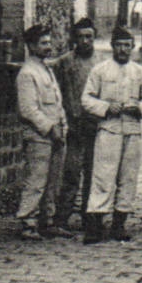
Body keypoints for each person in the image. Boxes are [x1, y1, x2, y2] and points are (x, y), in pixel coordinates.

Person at [81, 26, 142, 244]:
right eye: (119, 45)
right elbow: (87, 99)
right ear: (112, 46)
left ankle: (119, 224)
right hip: (109, 129)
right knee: (103, 175)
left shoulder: (138, 72)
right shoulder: (100, 71)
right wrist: (105, 107)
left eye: (127, 46)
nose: (123, 50)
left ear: (132, 47)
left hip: (132, 129)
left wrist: (139, 107)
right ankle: (95, 224)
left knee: (128, 176)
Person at [15, 24, 69, 240]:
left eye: (49, 42)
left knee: (53, 180)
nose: (48, 47)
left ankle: (47, 221)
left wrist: (62, 125)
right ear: (31, 46)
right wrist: (49, 128)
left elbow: (56, 101)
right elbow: (28, 109)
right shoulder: (27, 74)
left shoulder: (46, 69)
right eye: (43, 43)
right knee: (36, 180)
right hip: (38, 136)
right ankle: (27, 221)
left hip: (56, 133)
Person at [54, 17, 100, 231]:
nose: (85, 41)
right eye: (80, 37)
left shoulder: (101, 63)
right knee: (71, 172)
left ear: (94, 37)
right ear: (74, 39)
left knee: (93, 172)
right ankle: (62, 217)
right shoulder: (64, 62)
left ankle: (89, 216)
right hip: (73, 126)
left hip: (96, 126)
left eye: (88, 37)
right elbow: (57, 94)